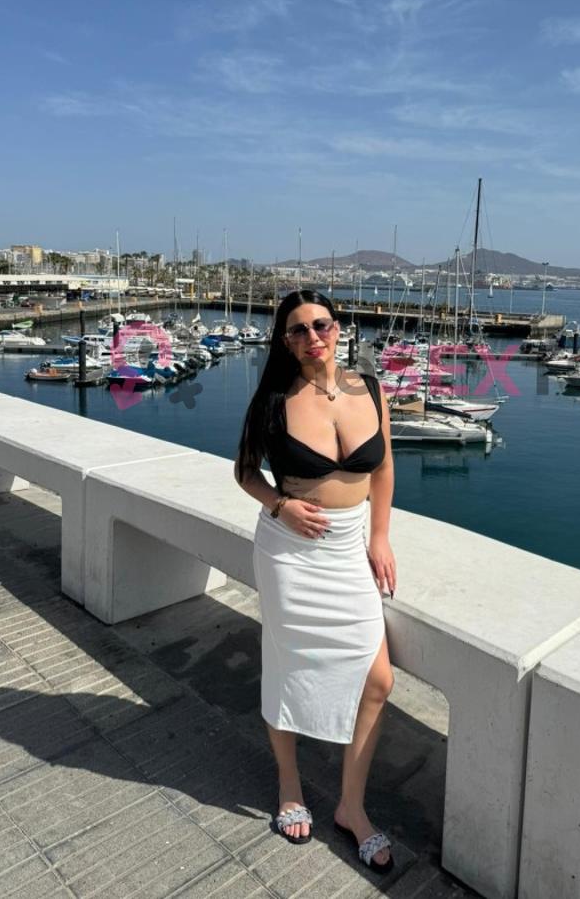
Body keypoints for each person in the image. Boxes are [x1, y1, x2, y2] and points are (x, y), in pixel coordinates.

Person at [234, 289, 397, 873]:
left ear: (339, 327)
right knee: (287, 667)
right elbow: (244, 472)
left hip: (349, 548)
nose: (312, 337)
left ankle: (351, 807)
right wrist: (280, 506)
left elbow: (383, 467)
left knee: (378, 679)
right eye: (298, 330)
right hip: (291, 554)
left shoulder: (370, 388)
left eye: (320, 325)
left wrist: (379, 537)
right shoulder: (275, 399)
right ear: (285, 341)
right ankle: (289, 787)